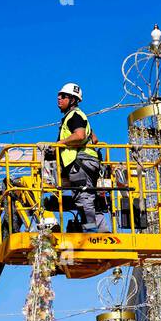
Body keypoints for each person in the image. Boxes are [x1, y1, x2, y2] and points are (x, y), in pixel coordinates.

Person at [43, 83, 104, 232]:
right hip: (86, 161)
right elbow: (94, 139)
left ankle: (91, 233)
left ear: (73, 99)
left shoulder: (74, 116)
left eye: (63, 96)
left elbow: (80, 135)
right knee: (88, 198)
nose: (59, 98)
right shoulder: (77, 117)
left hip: (81, 162)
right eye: (58, 95)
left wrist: (60, 143)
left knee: (84, 199)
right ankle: (100, 230)